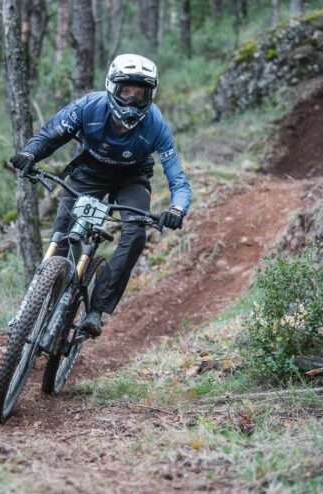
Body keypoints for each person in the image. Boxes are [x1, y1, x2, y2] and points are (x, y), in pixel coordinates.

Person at [11, 54, 192, 337]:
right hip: (89, 172)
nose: (132, 102)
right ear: (111, 87)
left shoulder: (155, 124)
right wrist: (29, 153)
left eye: (141, 95)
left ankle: (95, 310)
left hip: (132, 178)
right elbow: (49, 135)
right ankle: (38, 305)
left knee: (136, 234)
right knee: (62, 231)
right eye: (126, 91)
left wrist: (177, 210)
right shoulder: (88, 107)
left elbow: (178, 180)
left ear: (151, 96)